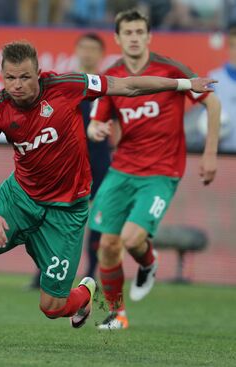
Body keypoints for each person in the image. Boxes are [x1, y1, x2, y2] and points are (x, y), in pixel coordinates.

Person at [0, 40, 215, 344]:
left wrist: (184, 84)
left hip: (66, 211)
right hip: (19, 197)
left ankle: (84, 294)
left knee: (51, 307)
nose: (17, 85)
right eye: (10, 78)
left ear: (39, 72)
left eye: (25, 77)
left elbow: (128, 86)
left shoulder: (68, 85)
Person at [87, 9, 221, 330]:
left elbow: (212, 103)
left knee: (132, 240)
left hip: (162, 172)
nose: (134, 38)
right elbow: (96, 121)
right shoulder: (113, 75)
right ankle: (116, 314)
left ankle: (148, 261)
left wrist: (210, 154)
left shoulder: (171, 70)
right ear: (118, 39)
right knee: (106, 244)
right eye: (127, 33)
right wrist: (96, 130)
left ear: (149, 37)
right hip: (122, 170)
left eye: (139, 32)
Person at [28, 32, 111, 288]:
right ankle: (44, 272)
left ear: (101, 54)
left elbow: (119, 125)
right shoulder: (65, 86)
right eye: (83, 47)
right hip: (66, 164)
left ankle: (91, 273)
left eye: (93, 49)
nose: (87, 53)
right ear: (76, 51)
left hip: (99, 163)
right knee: (55, 220)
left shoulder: (107, 87)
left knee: (97, 219)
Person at [208, 26, 236, 153]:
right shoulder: (213, 79)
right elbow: (206, 121)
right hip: (224, 156)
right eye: (233, 46)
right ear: (228, 48)